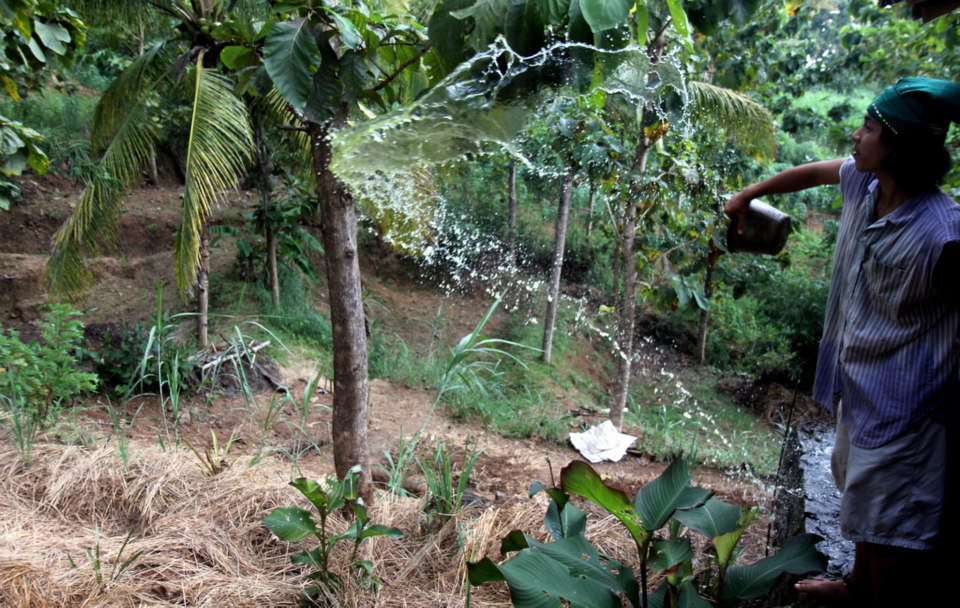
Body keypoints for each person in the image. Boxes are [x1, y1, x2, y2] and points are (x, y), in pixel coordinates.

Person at [725, 77, 960, 608]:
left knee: (892, 525)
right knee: (861, 499)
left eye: (869, 128)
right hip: (861, 384)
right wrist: (750, 194)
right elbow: (814, 172)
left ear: (898, 146)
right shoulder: (865, 184)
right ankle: (855, 585)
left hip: (911, 407)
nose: (855, 136)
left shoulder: (943, 234)